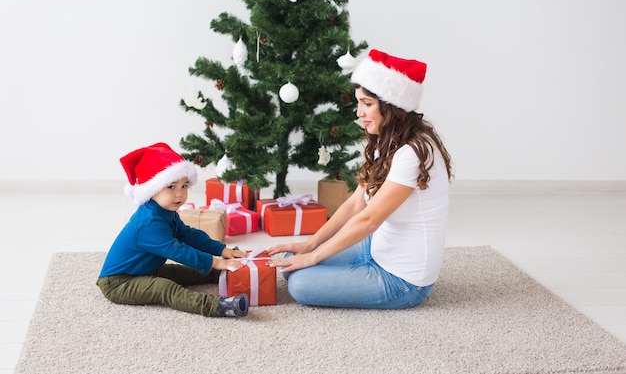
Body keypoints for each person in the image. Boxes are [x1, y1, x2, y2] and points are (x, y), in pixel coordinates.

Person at [267, 49, 453, 309]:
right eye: (359, 103)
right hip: (377, 249)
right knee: (292, 258)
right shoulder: (386, 143)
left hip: (403, 280)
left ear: (392, 107)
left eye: (367, 104)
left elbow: (368, 220)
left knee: (300, 283)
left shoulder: (412, 152)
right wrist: (310, 244)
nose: (359, 113)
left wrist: (314, 256)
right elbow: (356, 204)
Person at [97, 142, 250, 317]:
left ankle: (221, 274)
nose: (180, 194)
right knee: (164, 287)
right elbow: (179, 251)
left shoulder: (165, 212)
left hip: (145, 270)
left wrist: (221, 249)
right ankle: (219, 306)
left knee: (180, 272)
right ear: (152, 190)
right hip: (118, 283)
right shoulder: (148, 224)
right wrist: (215, 261)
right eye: (171, 187)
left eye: (184, 186)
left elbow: (188, 235)